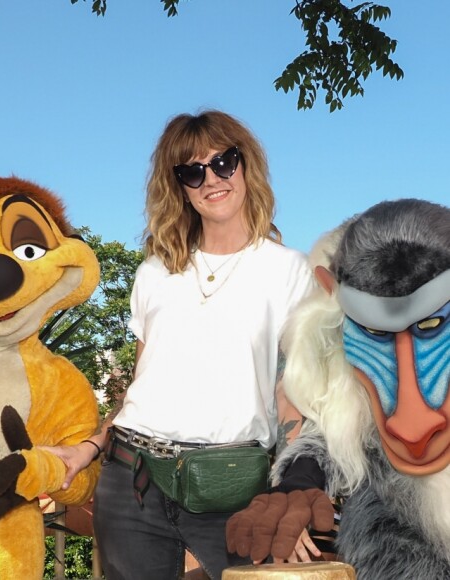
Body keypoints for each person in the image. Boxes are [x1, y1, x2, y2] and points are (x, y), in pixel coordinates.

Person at [46, 109, 317, 579]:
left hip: (232, 484)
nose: (211, 178)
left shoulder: (289, 270)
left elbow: (290, 394)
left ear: (245, 164)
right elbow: (138, 390)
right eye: (192, 170)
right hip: (131, 480)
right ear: (179, 187)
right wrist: (87, 448)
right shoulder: (155, 272)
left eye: (223, 162)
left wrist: (289, 493)